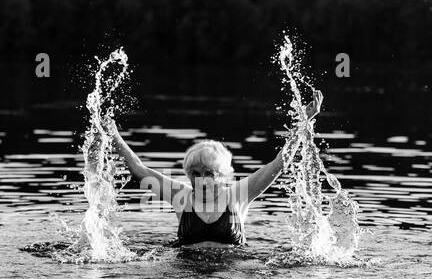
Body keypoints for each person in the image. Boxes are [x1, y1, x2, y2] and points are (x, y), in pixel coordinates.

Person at [106, 94, 322, 247]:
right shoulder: (180, 195)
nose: (201, 180)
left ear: (222, 175)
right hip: (185, 278)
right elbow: (139, 170)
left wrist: (304, 124)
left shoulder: (239, 194)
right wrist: (113, 135)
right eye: (196, 174)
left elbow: (278, 164)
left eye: (209, 174)